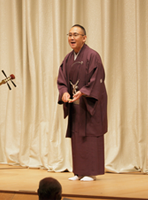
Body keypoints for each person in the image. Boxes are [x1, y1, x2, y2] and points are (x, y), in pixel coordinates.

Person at [57, 24, 107, 181]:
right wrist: (64, 92)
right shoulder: (68, 58)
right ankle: (78, 172)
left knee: (90, 136)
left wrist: (84, 92)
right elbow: (62, 79)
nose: (72, 37)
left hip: (90, 104)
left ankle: (90, 172)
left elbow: (98, 79)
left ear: (84, 38)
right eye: (70, 34)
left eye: (76, 35)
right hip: (76, 104)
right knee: (77, 136)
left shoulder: (93, 56)